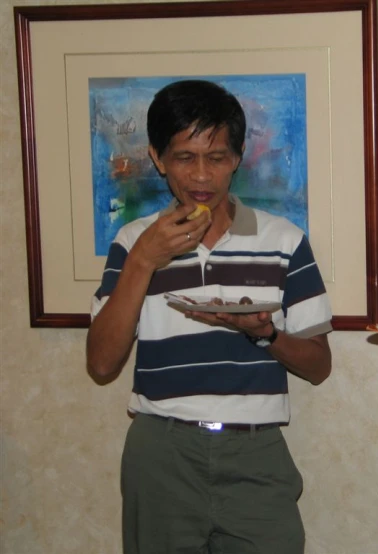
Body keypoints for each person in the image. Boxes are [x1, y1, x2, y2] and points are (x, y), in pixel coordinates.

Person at [86, 79, 332, 554]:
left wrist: (266, 335)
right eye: (184, 157)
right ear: (158, 158)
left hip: (256, 451)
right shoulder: (132, 241)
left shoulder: (284, 240)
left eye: (217, 158)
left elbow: (319, 367)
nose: (202, 176)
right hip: (161, 449)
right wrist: (143, 260)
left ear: (236, 159)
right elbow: (100, 364)